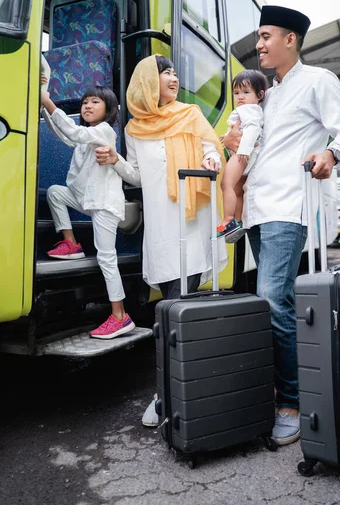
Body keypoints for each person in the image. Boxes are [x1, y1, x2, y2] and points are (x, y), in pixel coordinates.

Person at [223, 6, 340, 446]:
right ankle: (277, 388)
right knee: (268, 301)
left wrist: (331, 155)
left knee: (272, 298)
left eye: (266, 37)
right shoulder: (270, 94)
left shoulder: (317, 80)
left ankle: (291, 402)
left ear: (291, 39)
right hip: (258, 211)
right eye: (258, 37)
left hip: (288, 208)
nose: (259, 45)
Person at [95, 54, 228, 425]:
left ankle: (167, 393)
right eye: (165, 72)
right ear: (147, 82)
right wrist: (115, 162)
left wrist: (212, 160)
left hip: (191, 221)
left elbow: (210, 149)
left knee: (176, 303)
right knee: (170, 304)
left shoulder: (190, 114)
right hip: (161, 228)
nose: (173, 77)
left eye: (173, 72)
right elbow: (136, 176)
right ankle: (177, 389)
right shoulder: (135, 129)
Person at [40, 78, 135, 340]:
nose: (88, 106)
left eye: (95, 102)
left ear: (109, 110)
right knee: (56, 193)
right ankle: (71, 244)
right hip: (85, 199)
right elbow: (65, 134)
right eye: (84, 102)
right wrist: (44, 108)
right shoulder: (87, 136)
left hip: (103, 203)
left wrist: (48, 101)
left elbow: (73, 132)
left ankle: (120, 316)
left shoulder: (104, 131)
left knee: (107, 258)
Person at [216, 70, 266, 242]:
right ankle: (237, 220)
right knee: (237, 190)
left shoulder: (249, 109)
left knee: (226, 183)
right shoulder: (252, 109)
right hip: (244, 154)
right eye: (236, 93)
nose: (240, 97)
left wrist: (243, 150)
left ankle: (228, 220)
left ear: (260, 94)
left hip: (241, 155)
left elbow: (253, 128)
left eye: (246, 92)